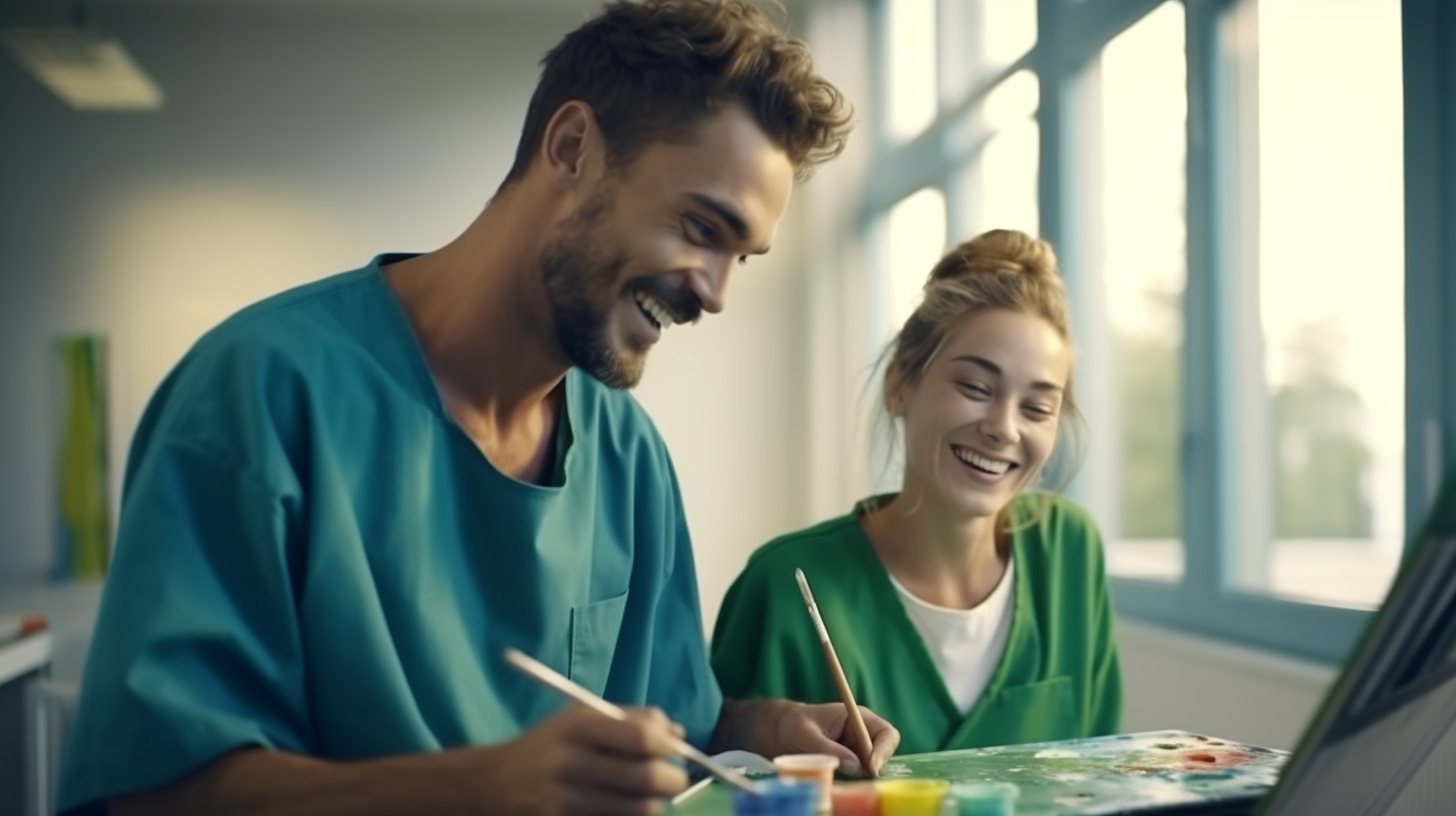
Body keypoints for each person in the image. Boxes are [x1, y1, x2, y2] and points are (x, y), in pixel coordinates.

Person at [57, 2, 902, 814]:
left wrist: (769, 728)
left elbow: (673, 725)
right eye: (699, 227)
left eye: (741, 258)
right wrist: (480, 792)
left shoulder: (626, 456)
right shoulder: (258, 396)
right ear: (572, 148)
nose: (714, 295)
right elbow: (159, 791)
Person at [711, 229, 1122, 757]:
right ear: (900, 383)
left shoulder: (1069, 551)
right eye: (976, 388)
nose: (1003, 428)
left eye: (1038, 408)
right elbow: (717, 785)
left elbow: (1107, 775)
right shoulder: (784, 586)